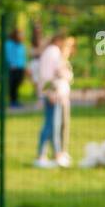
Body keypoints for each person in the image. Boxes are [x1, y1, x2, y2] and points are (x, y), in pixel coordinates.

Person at [34, 34, 75, 168]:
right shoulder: (53, 52)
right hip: (53, 94)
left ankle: (56, 154)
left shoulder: (51, 52)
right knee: (50, 126)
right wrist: (50, 92)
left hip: (55, 94)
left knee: (54, 126)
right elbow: (48, 75)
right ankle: (42, 156)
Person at [4, 27, 28, 108]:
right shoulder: (9, 44)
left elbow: (23, 56)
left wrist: (25, 66)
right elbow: (8, 54)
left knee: (18, 83)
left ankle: (15, 100)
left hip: (20, 66)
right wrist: (11, 64)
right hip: (13, 67)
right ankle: (12, 101)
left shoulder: (21, 45)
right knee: (13, 84)